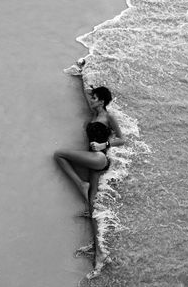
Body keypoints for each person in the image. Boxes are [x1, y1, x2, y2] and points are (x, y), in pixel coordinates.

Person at [54, 85, 125, 278]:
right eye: (92, 98)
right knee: (93, 208)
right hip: (94, 164)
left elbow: (122, 139)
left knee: (59, 154)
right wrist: (82, 74)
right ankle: (99, 251)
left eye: (95, 98)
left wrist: (104, 144)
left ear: (101, 101)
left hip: (100, 158)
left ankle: (80, 184)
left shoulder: (108, 117)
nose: (91, 100)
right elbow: (88, 95)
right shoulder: (94, 116)